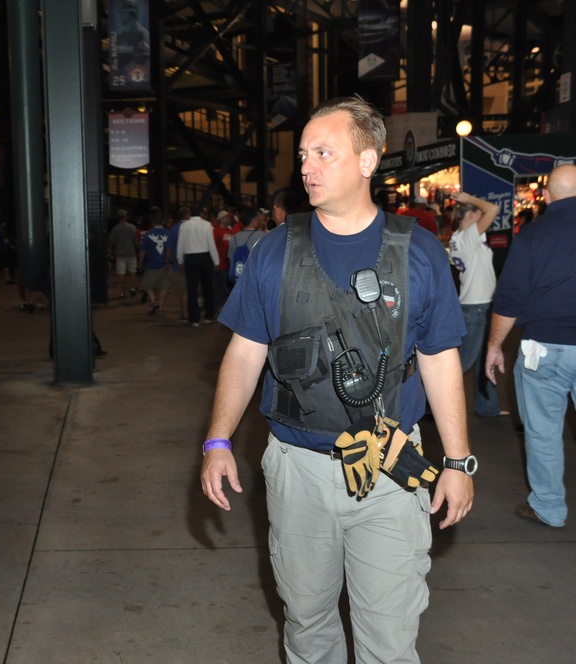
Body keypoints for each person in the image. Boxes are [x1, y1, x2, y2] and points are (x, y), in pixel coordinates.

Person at [201, 97, 474, 664]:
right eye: (303, 155)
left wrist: (457, 461)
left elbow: (440, 358)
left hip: (392, 472)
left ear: (368, 161)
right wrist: (218, 440)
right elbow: (245, 352)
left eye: (323, 152)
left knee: (391, 634)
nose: (307, 167)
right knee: (306, 619)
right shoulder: (272, 250)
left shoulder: (419, 252)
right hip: (297, 468)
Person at [486, 164, 576, 528]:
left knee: (542, 431)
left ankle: (549, 508)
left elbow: (509, 298)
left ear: (548, 195)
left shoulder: (533, 235)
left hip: (544, 347)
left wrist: (494, 346)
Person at [447, 190, 506, 418]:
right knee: (464, 362)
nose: (485, 218)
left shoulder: (457, 238)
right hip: (477, 306)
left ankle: (488, 406)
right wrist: (469, 198)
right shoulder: (467, 237)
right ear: (471, 215)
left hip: (478, 305)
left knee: (484, 358)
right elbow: (493, 209)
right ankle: (434, 401)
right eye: (478, 214)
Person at [175, 205, 219, 327]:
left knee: (192, 288)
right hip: (205, 257)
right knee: (208, 287)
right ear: (201, 213)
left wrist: (180, 259)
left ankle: (194, 318)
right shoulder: (206, 225)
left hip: (190, 258)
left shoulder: (184, 225)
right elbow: (211, 244)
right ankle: (209, 315)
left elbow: (181, 244)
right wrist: (216, 261)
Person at [137, 207, 170, 315]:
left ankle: (153, 301)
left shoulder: (148, 235)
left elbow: (142, 250)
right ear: (164, 221)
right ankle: (160, 307)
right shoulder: (168, 233)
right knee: (164, 286)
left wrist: (140, 262)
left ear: (152, 221)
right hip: (165, 264)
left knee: (148, 285)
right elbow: (172, 249)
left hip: (151, 264)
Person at [108, 209, 139, 299]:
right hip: (131, 252)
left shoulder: (115, 229)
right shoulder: (132, 227)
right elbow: (136, 241)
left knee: (121, 272)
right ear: (126, 217)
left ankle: (122, 291)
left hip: (120, 253)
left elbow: (111, 242)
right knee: (133, 271)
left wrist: (112, 251)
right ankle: (132, 288)